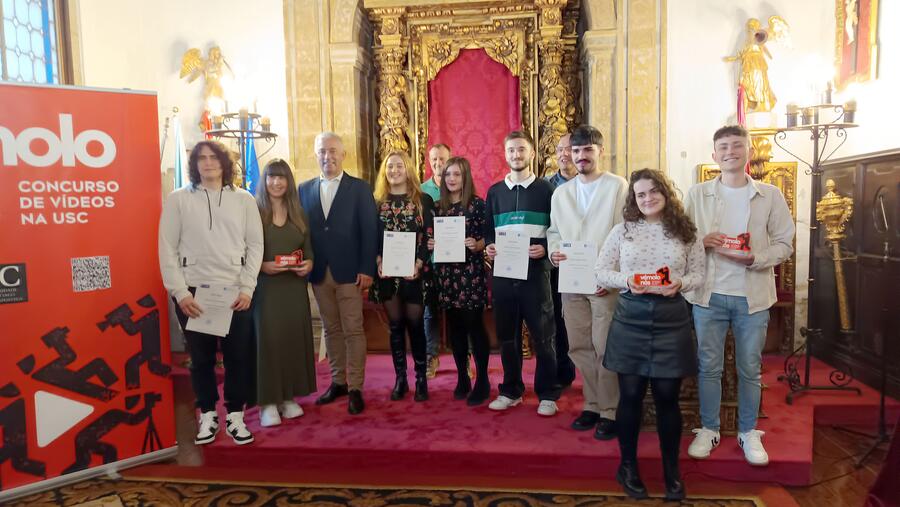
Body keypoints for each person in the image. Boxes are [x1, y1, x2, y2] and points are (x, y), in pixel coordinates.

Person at [684, 125, 794, 466]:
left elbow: (784, 243)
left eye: (737, 145)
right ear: (714, 155)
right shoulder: (697, 194)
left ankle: (748, 430)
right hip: (709, 294)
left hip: (753, 296)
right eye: (723, 147)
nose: (730, 151)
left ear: (748, 152)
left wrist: (755, 258)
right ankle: (709, 427)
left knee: (750, 367)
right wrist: (701, 242)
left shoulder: (770, 195)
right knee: (708, 367)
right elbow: (682, 240)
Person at [595, 168, 705, 501]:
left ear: (666, 193)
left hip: (672, 318)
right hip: (631, 317)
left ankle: (671, 471)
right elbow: (601, 270)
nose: (647, 199)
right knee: (629, 396)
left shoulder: (685, 231)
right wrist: (627, 281)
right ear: (634, 199)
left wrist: (681, 284)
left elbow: (699, 273)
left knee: (667, 398)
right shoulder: (622, 230)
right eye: (640, 194)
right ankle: (628, 466)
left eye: (653, 192)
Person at [158, 140, 263, 446]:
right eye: (201, 158)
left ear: (224, 163)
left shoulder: (243, 199)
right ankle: (207, 414)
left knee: (237, 358)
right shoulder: (178, 199)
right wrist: (179, 292)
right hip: (193, 291)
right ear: (195, 164)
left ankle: (235, 416)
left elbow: (255, 245)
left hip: (235, 291)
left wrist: (247, 287)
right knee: (201, 359)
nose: (207, 163)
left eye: (213, 158)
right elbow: (167, 248)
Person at [547, 125, 628, 439]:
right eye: (575, 151)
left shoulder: (617, 187)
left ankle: (610, 409)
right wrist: (554, 252)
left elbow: (625, 234)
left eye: (587, 150)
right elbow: (554, 232)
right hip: (572, 281)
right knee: (579, 346)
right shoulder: (561, 193)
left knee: (604, 346)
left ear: (600, 152)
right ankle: (592, 404)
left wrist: (611, 275)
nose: (580, 156)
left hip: (603, 282)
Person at [298, 132, 377, 415]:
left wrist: (367, 268)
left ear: (343, 155)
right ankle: (338, 381)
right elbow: (301, 232)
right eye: (322, 151)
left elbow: (370, 231)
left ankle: (355, 386)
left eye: (332, 151)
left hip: (350, 271)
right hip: (319, 271)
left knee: (353, 329)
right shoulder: (303, 189)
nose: (327, 156)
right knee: (330, 330)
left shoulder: (359, 188)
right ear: (315, 154)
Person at [484, 130, 561, 416]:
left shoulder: (546, 190)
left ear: (532, 153)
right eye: (511, 150)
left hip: (536, 274)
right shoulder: (495, 191)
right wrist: (490, 245)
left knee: (544, 336)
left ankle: (548, 393)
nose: (516, 155)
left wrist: (544, 246)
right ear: (505, 155)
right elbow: (488, 230)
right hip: (504, 275)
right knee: (507, 336)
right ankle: (511, 390)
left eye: (521, 150)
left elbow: (557, 229)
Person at [254, 159, 316, 427]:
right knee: (269, 344)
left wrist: (309, 264)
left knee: (292, 340)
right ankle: (267, 401)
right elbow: (243, 251)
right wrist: (260, 266)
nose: (276, 182)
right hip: (266, 289)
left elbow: (309, 249)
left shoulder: (299, 212)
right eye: (271, 177)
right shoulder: (254, 212)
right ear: (264, 181)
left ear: (289, 182)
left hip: (294, 288)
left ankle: (288, 397)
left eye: (281, 178)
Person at [427, 156, 491, 405]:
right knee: (455, 329)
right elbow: (428, 237)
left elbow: (489, 236)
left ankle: (482, 380)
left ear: (465, 177)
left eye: (457, 174)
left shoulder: (477, 205)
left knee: (474, 326)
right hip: (446, 275)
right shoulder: (437, 206)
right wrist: (431, 243)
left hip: (469, 273)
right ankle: (463, 378)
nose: (451, 179)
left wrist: (478, 245)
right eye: (448, 175)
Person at [371, 151, 434, 402]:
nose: (394, 170)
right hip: (387, 274)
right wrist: (377, 260)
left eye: (399, 166)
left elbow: (428, 234)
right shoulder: (376, 202)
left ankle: (421, 379)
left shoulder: (423, 200)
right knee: (395, 327)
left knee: (416, 325)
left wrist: (419, 263)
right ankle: (401, 379)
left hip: (414, 274)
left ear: (408, 169)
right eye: (389, 166)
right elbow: (372, 237)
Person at [544, 134, 578, 389]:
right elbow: (546, 227)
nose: (564, 154)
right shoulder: (546, 186)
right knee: (558, 318)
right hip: (556, 264)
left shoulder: (594, 183)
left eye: (569, 148)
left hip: (588, 262)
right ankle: (562, 371)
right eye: (560, 149)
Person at [421, 143, 451, 378]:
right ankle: (431, 357)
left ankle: (465, 356)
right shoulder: (421, 192)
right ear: (428, 162)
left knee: (457, 312)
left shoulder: (459, 186)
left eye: (442, 159)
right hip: (430, 262)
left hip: (455, 263)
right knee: (430, 311)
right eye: (434, 160)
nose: (439, 164)